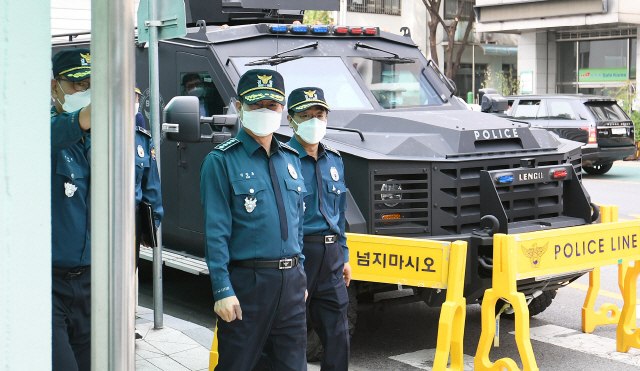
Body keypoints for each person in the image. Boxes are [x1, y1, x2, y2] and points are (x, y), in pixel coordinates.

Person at [200, 69, 308, 371]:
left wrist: (302, 276)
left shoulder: (291, 158)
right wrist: (222, 289)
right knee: (239, 365)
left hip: (291, 285)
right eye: (256, 105)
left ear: (282, 109)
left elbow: (297, 224)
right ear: (239, 107)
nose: (265, 111)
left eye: (271, 105)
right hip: (248, 284)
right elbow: (215, 232)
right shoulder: (221, 161)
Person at [286, 87, 351, 371]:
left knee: (338, 332)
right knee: (293, 331)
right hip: (299, 253)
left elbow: (340, 211)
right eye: (306, 115)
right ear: (291, 120)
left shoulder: (334, 159)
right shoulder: (283, 158)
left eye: (319, 114)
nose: (314, 120)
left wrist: (345, 254)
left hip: (332, 255)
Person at [50, 48, 92, 371]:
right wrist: (80, 119)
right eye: (77, 84)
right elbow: (51, 135)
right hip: (50, 285)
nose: (85, 91)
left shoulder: (101, 139)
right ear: (55, 88)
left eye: (91, 84)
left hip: (91, 284)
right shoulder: (46, 131)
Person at [133, 84, 163, 339]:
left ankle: (125, 323)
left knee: (128, 271)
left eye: (134, 98)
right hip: (94, 219)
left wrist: (152, 223)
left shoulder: (141, 137)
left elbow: (151, 184)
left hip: (130, 218)